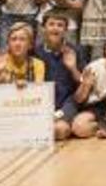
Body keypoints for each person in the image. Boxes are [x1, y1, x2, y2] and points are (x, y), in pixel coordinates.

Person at [35, 10, 83, 140]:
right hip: (42, 101)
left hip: (67, 102)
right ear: (43, 28)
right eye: (51, 24)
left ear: (66, 30)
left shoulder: (75, 50)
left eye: (60, 25)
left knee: (61, 130)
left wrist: (73, 68)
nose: (55, 28)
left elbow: (83, 83)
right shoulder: (35, 51)